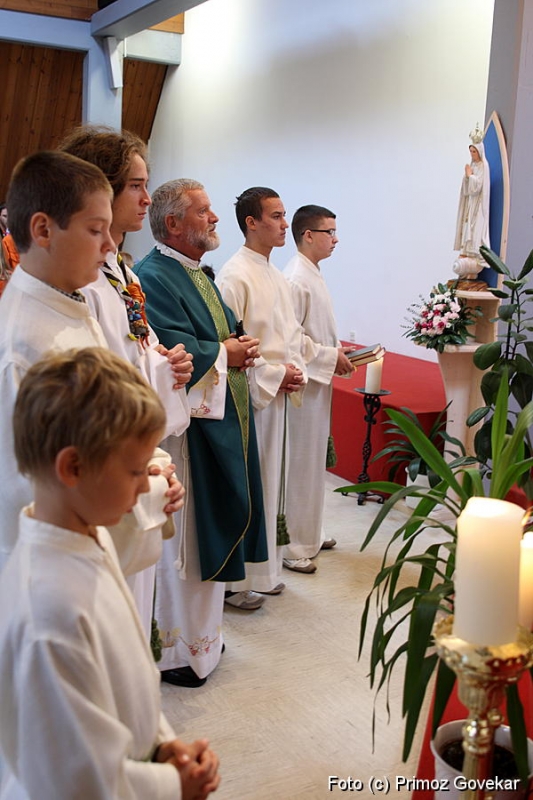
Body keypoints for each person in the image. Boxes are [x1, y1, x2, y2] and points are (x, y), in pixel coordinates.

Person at [0, 346, 220, 800]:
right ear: (73, 467)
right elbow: (73, 781)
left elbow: (125, 676)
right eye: (137, 471)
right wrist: (173, 785)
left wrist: (162, 746)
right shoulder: (50, 615)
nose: (147, 486)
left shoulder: (87, 534)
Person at [0, 151, 184, 588]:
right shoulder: (23, 344)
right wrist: (146, 489)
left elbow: (111, 413)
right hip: (56, 574)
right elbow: (27, 488)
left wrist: (154, 465)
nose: (109, 246)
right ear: (43, 230)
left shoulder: (69, 304)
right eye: (95, 230)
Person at [59, 126, 193, 637]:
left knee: (137, 591)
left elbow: (138, 348)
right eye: (136, 185)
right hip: (108, 456)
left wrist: (168, 363)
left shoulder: (121, 272)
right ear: (100, 187)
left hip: (139, 444)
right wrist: (157, 370)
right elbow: (98, 378)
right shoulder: (84, 281)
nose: (148, 198)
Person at [134, 179, 268, 687]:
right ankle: (176, 650)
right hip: (188, 437)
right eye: (203, 211)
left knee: (203, 538)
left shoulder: (195, 272)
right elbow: (171, 349)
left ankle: (205, 637)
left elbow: (223, 329)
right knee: (187, 542)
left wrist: (240, 344)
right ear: (173, 223)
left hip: (221, 421)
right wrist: (225, 353)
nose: (214, 218)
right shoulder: (153, 275)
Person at [217, 187, 310, 587]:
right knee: (255, 486)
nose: (285, 224)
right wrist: (275, 374)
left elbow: (291, 335)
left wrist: (296, 369)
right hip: (253, 398)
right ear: (251, 222)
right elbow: (231, 343)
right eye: (275, 216)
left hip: (278, 395)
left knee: (274, 486)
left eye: (284, 215)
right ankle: (243, 581)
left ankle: (266, 571)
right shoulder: (234, 275)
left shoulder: (275, 274)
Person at [283, 205, 353, 567]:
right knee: (299, 464)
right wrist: (329, 356)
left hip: (317, 384)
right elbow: (292, 338)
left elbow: (317, 330)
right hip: (302, 387)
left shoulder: (312, 273)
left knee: (313, 464)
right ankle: (294, 546)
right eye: (330, 232)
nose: (336, 240)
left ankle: (310, 531)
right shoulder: (295, 278)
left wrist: (335, 351)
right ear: (308, 235)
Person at [453, 128, 490, 279]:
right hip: (470, 203)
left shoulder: (483, 166)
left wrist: (470, 176)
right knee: (467, 225)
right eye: (471, 151)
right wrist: (466, 177)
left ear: (479, 152)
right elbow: (467, 188)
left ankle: (473, 254)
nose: (472, 154)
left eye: (474, 152)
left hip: (478, 205)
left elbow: (477, 186)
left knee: (474, 229)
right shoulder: (473, 165)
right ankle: (466, 252)